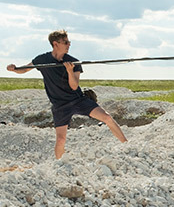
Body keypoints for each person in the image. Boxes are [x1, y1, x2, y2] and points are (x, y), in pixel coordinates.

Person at [7, 30, 127, 159]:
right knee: (60, 139)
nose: (69, 44)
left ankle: (127, 146)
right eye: (66, 42)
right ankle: (58, 164)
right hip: (60, 105)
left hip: (78, 100)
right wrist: (14, 69)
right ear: (55, 44)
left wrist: (70, 71)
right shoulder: (42, 59)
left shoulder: (74, 62)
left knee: (107, 118)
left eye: (69, 42)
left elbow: (74, 86)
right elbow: (24, 69)